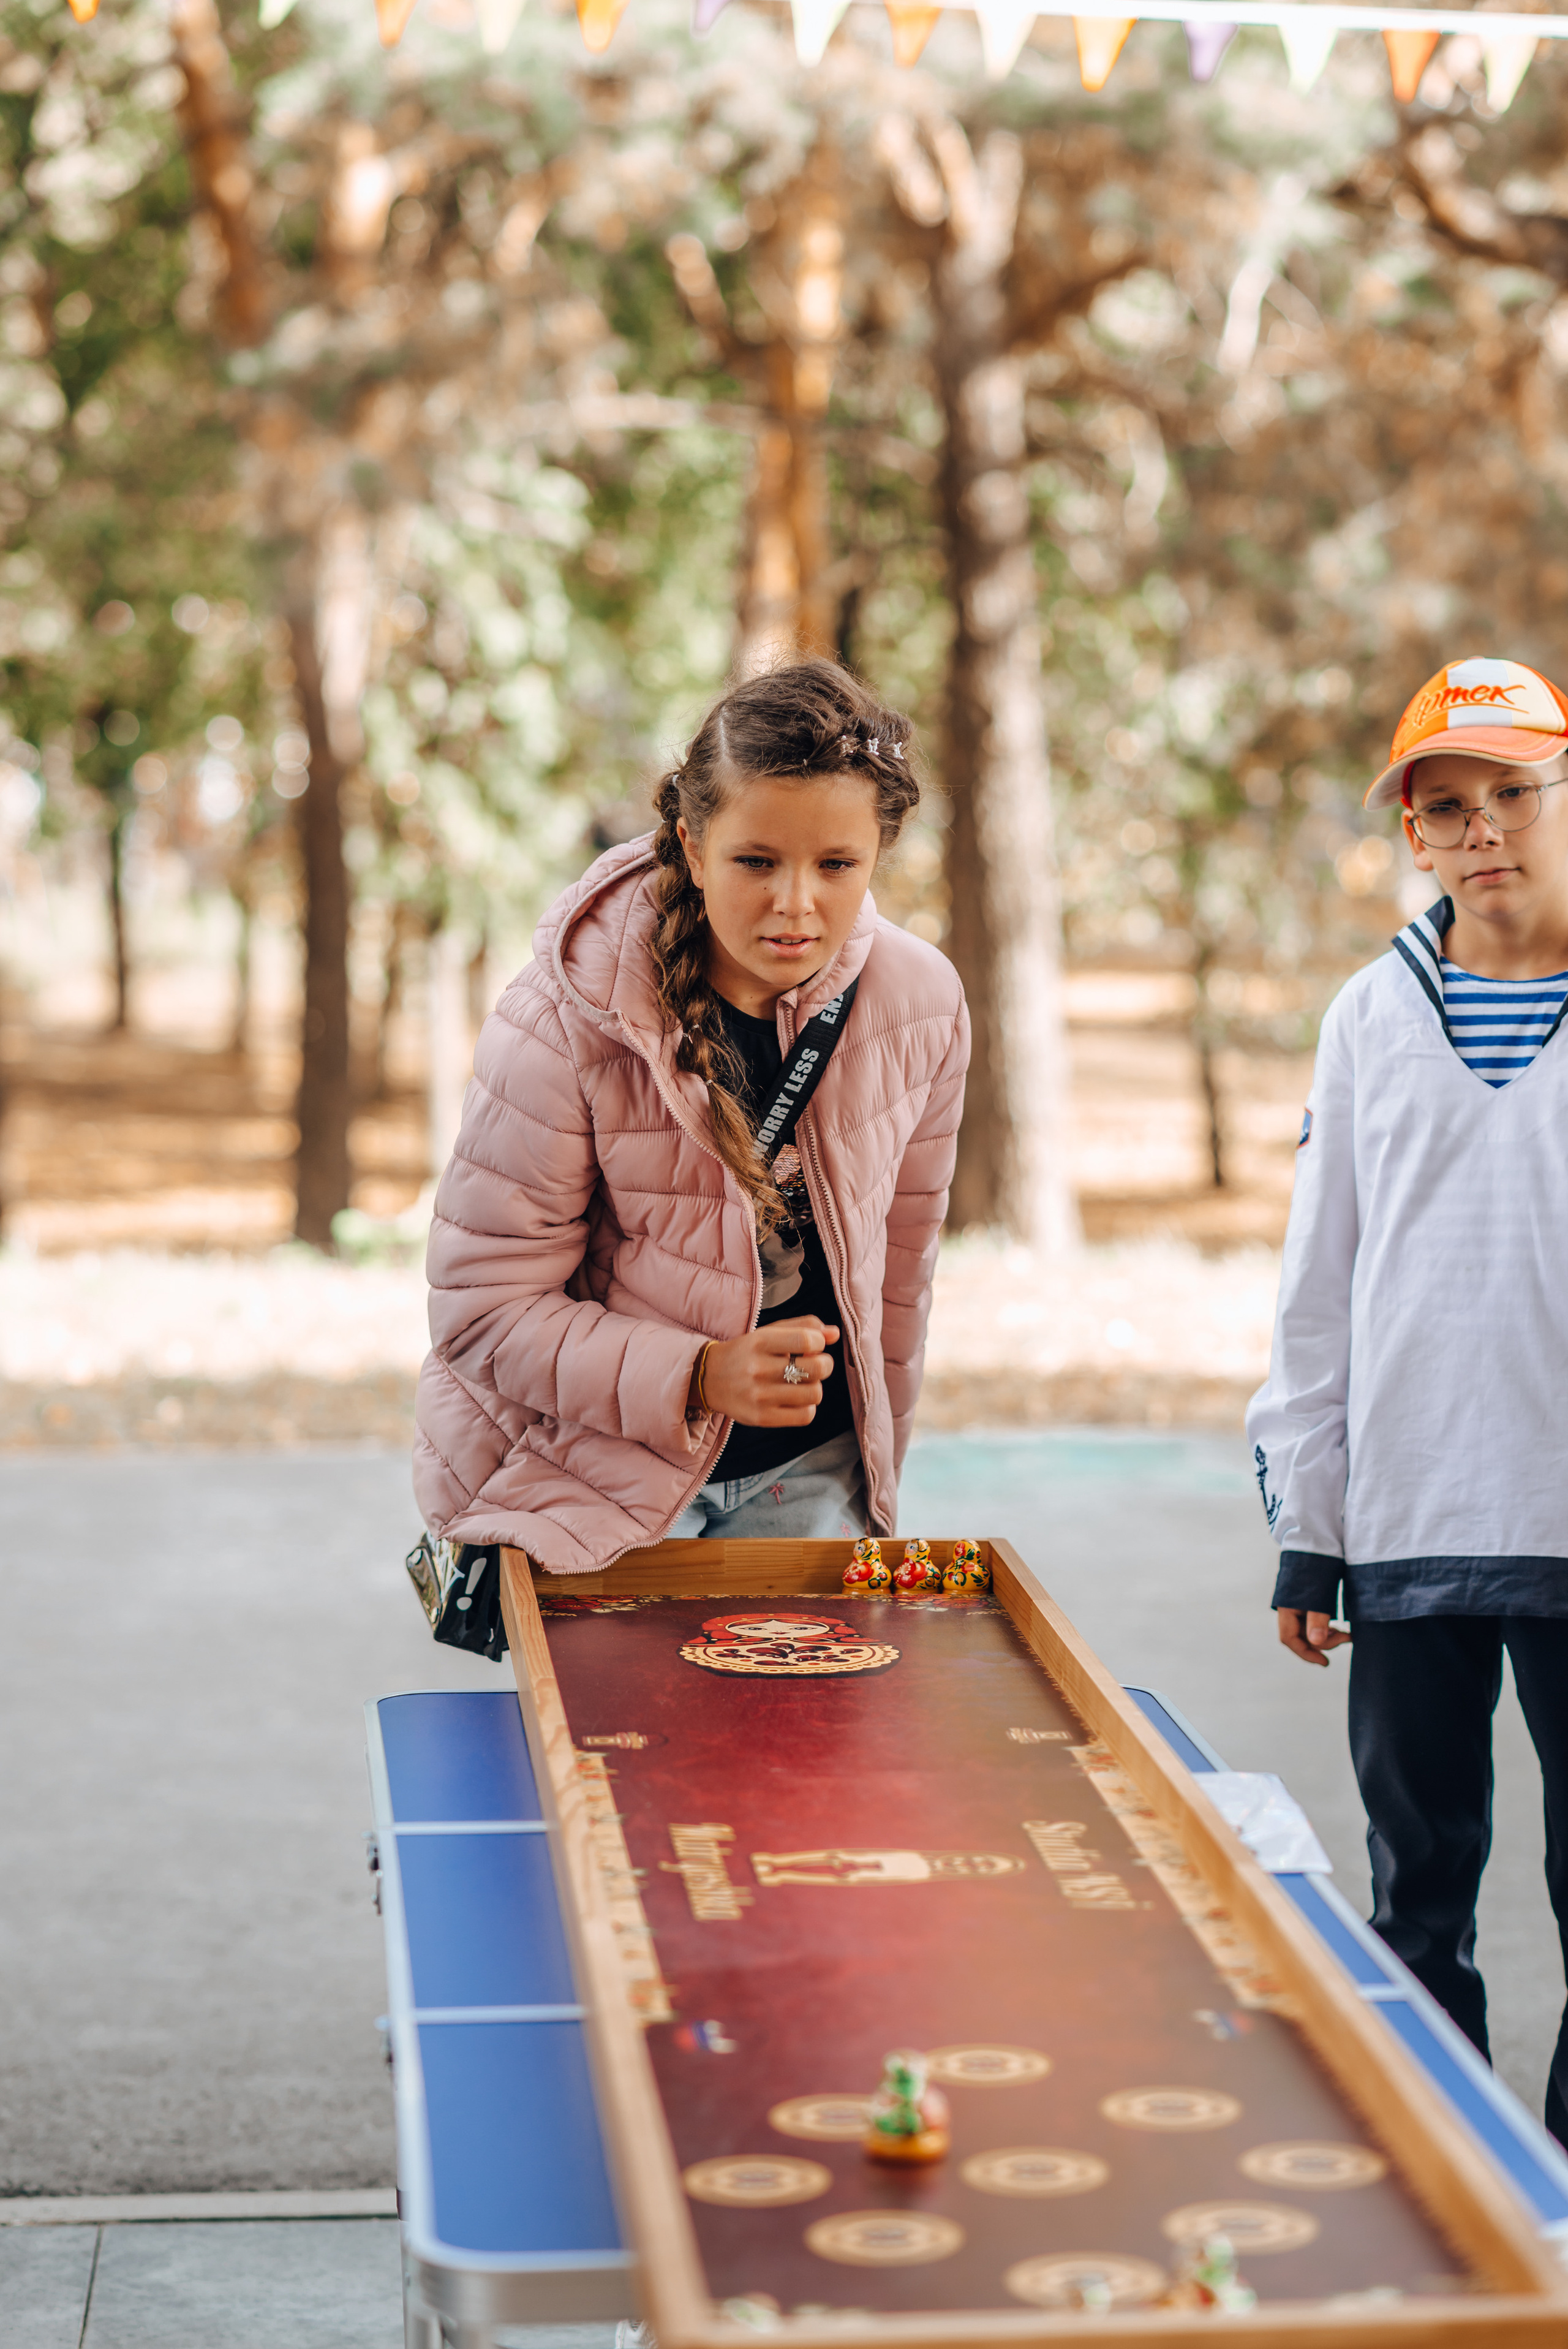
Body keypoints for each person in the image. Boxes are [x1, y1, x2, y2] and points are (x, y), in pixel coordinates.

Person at [414, 659, 969, 1575]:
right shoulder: (564, 1014)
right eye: (757, 861)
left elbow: (897, 1283)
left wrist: (870, 1486)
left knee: (801, 1725)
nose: (797, 903)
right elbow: (483, 1314)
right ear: (692, 840)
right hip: (590, 1489)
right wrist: (703, 1375)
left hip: (812, 1479)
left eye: (838, 865)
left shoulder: (921, 1001)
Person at [1249, 655, 1568, 2149]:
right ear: (1412, 839)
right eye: (1444, 808)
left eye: (1514, 791)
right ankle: (1451, 2188)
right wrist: (1308, 1526)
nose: (1481, 830)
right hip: (1413, 1522)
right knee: (1415, 1902)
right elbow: (1319, 1283)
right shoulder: (1368, 1018)